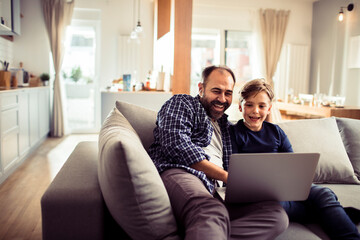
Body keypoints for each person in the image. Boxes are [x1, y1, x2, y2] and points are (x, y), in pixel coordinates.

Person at [149, 66, 289, 240]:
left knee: (276, 215)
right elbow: (176, 145)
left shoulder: (227, 126)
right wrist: (227, 177)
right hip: (183, 172)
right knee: (210, 211)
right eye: (216, 91)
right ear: (201, 88)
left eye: (228, 93)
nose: (222, 99)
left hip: (218, 189)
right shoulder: (183, 103)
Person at [230, 78, 360, 239]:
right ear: (240, 106)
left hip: (286, 186)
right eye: (249, 105)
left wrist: (290, 182)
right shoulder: (234, 133)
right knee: (278, 206)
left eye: (261, 106)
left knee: (325, 193)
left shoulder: (276, 132)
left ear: (269, 108)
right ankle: (332, 213)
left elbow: (293, 164)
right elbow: (233, 168)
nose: (255, 110)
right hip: (261, 193)